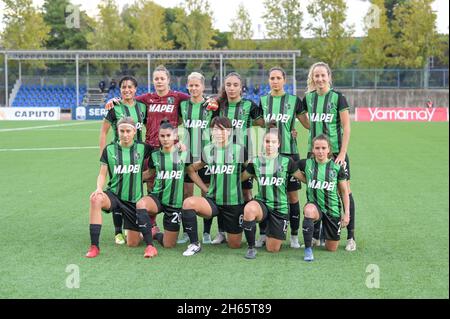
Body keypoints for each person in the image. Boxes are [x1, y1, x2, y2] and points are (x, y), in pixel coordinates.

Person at [105, 65, 191, 238]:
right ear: (153, 81)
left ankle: (182, 226)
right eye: (156, 79)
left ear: (168, 80)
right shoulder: (146, 99)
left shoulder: (178, 97)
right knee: (151, 186)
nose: (159, 82)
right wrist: (114, 100)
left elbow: (196, 99)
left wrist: (210, 100)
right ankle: (152, 226)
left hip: (172, 150)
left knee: (177, 187)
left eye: (162, 78)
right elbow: (128, 99)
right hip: (150, 150)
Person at [301, 61, 356, 252]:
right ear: (312, 78)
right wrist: (296, 130)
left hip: (335, 153)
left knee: (344, 191)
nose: (320, 79)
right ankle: (316, 236)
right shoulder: (308, 98)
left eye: (323, 75)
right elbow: (301, 118)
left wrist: (341, 153)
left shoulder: (338, 98)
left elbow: (346, 127)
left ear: (329, 77)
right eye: (316, 75)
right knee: (315, 189)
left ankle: (350, 236)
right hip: (313, 151)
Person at [204, 72, 264, 245]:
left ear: (241, 87)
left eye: (235, 85)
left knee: (245, 193)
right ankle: (221, 231)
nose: (231, 88)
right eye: (228, 85)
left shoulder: (249, 105)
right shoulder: (218, 105)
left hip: (241, 158)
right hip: (220, 157)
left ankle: (252, 231)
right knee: (220, 194)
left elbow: (263, 123)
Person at [85, 117, 157, 259]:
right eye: (122, 131)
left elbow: (160, 155)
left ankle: (146, 233)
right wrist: (99, 188)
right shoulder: (110, 149)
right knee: (95, 199)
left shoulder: (143, 148)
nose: (125, 134)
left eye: (128, 131)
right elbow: (102, 173)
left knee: (133, 243)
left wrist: (179, 146)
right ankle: (94, 246)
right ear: (117, 131)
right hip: (114, 195)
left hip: (133, 201)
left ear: (134, 131)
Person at [257, 67, 309, 249]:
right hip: (269, 155)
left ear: (284, 80)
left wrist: (294, 132)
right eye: (272, 78)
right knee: (265, 194)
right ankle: (263, 234)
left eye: (278, 78)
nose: (275, 81)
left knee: (292, 196)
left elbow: (308, 124)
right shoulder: (263, 101)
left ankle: (294, 236)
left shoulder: (294, 101)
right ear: (268, 80)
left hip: (290, 154)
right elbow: (256, 121)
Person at [136, 120, 206, 252]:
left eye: (168, 135)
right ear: (159, 137)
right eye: (162, 136)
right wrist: (130, 178)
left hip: (174, 203)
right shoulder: (155, 155)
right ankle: (149, 245)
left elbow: (191, 172)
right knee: (141, 204)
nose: (165, 139)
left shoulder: (183, 154)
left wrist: (205, 189)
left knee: (169, 244)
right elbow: (149, 173)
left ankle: (155, 233)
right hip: (156, 197)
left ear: (175, 136)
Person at [182, 117, 247, 255]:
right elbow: (191, 169)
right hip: (213, 201)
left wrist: (238, 179)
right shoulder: (208, 150)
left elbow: (254, 169)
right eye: (215, 130)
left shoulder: (239, 149)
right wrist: (205, 189)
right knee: (188, 203)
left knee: (234, 245)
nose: (219, 133)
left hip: (233, 202)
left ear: (230, 132)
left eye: (223, 130)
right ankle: (194, 244)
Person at [240, 122, 305, 259]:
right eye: (267, 141)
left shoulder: (287, 162)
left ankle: (270, 233)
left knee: (272, 249)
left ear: (279, 144)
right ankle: (251, 247)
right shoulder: (256, 162)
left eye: (273, 142)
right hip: (262, 204)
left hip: (279, 209)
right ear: (263, 142)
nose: (270, 144)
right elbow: (240, 178)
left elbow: (303, 178)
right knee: (249, 209)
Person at [99, 76, 147, 245]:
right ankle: (118, 231)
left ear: (135, 89)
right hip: (117, 155)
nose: (127, 90)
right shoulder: (115, 107)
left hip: (137, 155)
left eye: (130, 87)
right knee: (118, 190)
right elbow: (104, 131)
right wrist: (104, 154)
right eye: (123, 87)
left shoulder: (142, 107)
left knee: (135, 188)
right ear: (120, 90)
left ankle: (138, 224)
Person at [297, 134, 350, 261]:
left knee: (331, 248)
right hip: (314, 207)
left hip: (332, 210)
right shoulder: (306, 163)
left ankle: (322, 232)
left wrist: (346, 213)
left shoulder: (337, 168)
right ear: (312, 150)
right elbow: (288, 166)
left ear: (329, 150)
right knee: (309, 210)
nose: (320, 151)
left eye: (323, 148)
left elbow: (344, 191)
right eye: (317, 148)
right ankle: (308, 249)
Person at [179, 72, 217, 244]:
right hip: (187, 156)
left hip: (206, 156)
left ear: (203, 86)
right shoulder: (183, 105)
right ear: (187, 86)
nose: (194, 88)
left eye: (197, 85)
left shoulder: (210, 106)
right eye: (191, 85)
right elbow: (177, 123)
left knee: (206, 193)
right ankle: (187, 232)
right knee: (187, 194)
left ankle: (207, 232)